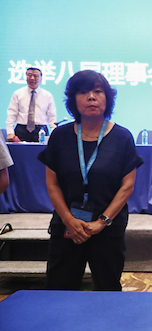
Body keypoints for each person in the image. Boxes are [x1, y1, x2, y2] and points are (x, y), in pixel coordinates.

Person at [38, 70, 143, 291]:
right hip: (67, 225)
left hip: (108, 228)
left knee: (108, 289)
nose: (91, 97)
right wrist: (69, 220)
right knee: (59, 289)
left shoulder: (122, 137)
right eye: (83, 92)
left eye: (98, 91)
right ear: (73, 100)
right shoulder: (60, 136)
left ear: (108, 98)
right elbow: (52, 183)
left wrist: (102, 222)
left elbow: (127, 186)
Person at [6, 67, 57, 142]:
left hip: (41, 130)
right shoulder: (18, 93)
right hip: (21, 129)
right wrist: (10, 132)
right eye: (29, 75)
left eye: (36, 76)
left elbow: (52, 116)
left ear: (41, 78)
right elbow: (11, 114)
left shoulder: (47, 95)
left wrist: (54, 133)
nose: (32, 78)